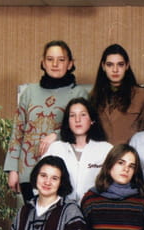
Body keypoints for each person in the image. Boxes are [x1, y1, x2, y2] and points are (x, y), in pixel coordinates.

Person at [5, 40, 88, 203]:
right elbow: (18, 132)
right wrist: (13, 170)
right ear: (43, 63)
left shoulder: (79, 93)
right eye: (50, 59)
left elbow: (83, 130)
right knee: (32, 215)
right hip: (28, 170)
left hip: (61, 171)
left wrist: (56, 135)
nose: (55, 64)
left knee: (58, 216)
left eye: (61, 60)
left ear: (70, 64)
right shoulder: (29, 92)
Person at [43, 97, 113, 202]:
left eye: (83, 115)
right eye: (72, 115)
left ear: (92, 120)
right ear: (67, 121)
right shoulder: (56, 148)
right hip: (61, 208)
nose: (77, 120)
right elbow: (40, 179)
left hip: (95, 207)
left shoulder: (106, 149)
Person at [89, 43, 144, 145]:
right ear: (103, 66)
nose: (115, 70)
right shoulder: (94, 97)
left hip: (131, 152)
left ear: (127, 66)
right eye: (110, 65)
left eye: (120, 64)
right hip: (101, 153)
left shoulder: (142, 96)